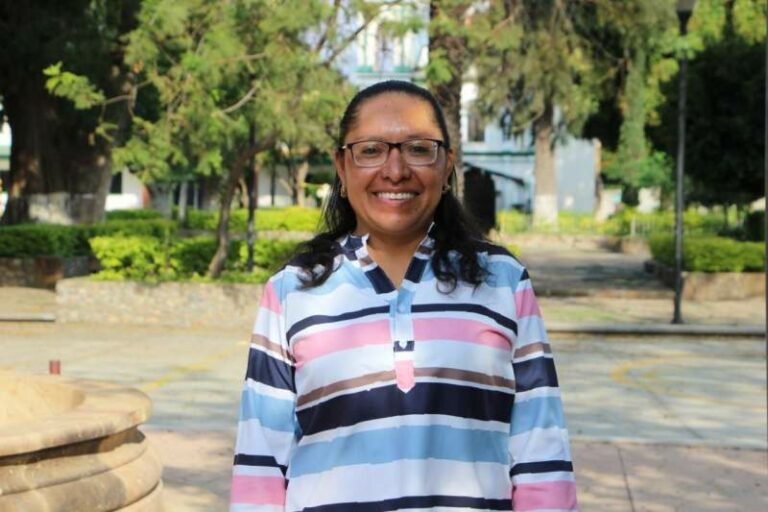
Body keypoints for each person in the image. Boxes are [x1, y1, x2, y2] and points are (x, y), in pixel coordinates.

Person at [229, 80, 578, 512]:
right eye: (371, 150)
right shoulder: (292, 289)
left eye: (418, 149)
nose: (395, 171)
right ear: (342, 166)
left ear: (447, 165)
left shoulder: (503, 281)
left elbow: (542, 453)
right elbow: (261, 463)